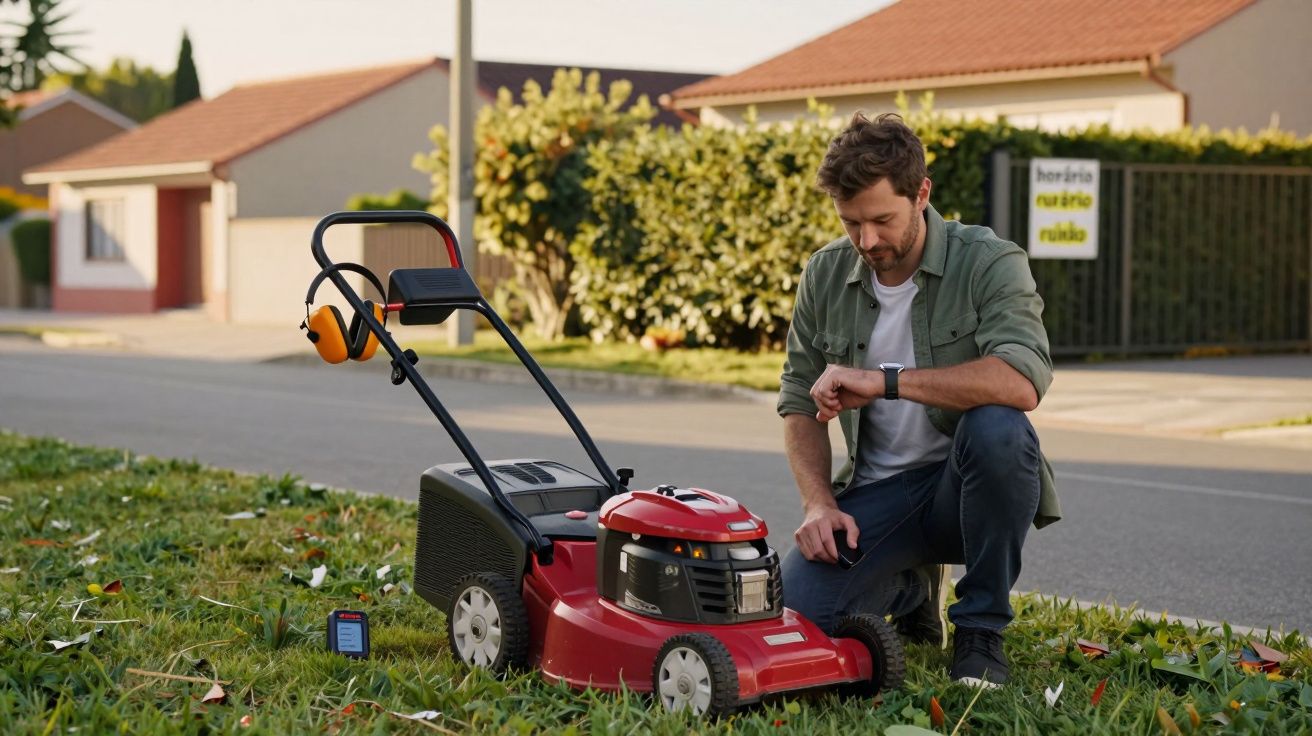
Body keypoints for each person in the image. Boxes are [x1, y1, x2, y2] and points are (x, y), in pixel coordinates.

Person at [777, 112, 1061, 688]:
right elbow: (797, 400)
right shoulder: (826, 273)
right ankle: (910, 588)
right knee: (801, 621)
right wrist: (818, 504)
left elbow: (1020, 381)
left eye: (882, 219)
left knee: (998, 428)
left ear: (921, 193)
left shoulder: (989, 261)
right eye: (851, 223)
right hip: (879, 495)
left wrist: (884, 380)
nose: (868, 241)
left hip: (967, 493)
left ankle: (981, 628)